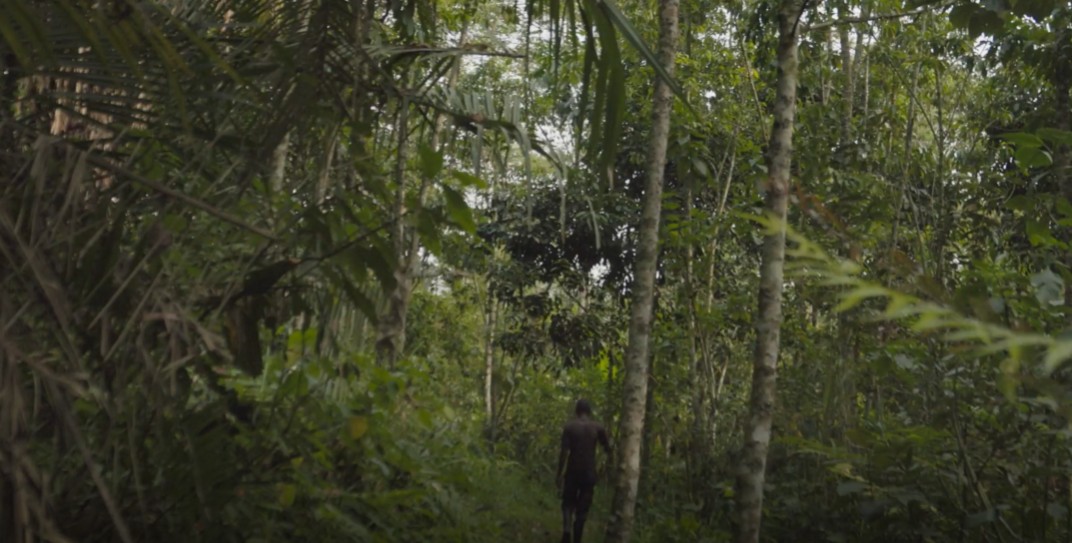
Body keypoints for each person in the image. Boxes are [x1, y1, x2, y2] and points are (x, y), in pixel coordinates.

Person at [556, 399, 612, 543]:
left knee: (567, 503)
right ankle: (577, 538)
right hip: (589, 473)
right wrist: (605, 468)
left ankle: (567, 530)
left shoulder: (570, 427)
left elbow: (564, 453)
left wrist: (559, 474)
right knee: (583, 509)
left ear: (576, 411)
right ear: (589, 412)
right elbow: (608, 448)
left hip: (572, 470)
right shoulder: (598, 427)